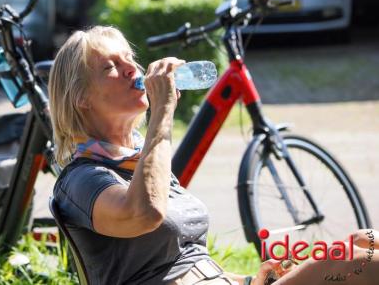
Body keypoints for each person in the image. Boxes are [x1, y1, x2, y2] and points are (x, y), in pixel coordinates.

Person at [48, 25, 378, 285]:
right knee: (354, 263)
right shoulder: (83, 179)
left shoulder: (141, 161)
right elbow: (144, 214)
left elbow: (188, 262)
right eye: (110, 66)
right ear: (81, 99)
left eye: (128, 59)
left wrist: (250, 279)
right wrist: (162, 112)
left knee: (368, 241)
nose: (131, 69)